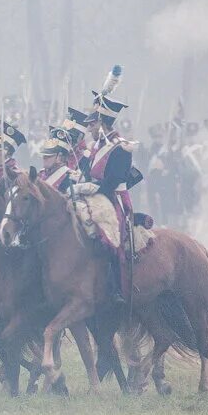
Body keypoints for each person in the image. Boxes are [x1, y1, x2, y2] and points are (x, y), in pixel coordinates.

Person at [70, 91, 139, 303]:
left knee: (110, 237)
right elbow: (87, 171)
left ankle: (117, 288)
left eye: (92, 125)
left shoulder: (121, 146)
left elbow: (112, 181)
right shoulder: (97, 146)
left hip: (114, 199)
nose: (89, 129)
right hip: (95, 196)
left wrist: (89, 187)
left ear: (101, 123)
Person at [39, 128, 78, 193]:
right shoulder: (40, 173)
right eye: (44, 155)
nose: (43, 158)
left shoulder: (70, 178)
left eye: (47, 156)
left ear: (59, 157)